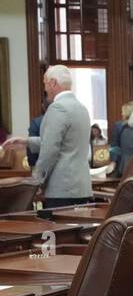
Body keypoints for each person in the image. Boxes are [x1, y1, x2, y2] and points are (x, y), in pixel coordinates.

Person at [26, 65, 93, 208]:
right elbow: (67, 143)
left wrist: (36, 180)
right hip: (81, 187)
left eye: (45, 83)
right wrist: (26, 141)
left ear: (53, 83)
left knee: (56, 230)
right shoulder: (82, 108)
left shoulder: (58, 108)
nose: (44, 89)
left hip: (61, 189)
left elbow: (50, 149)